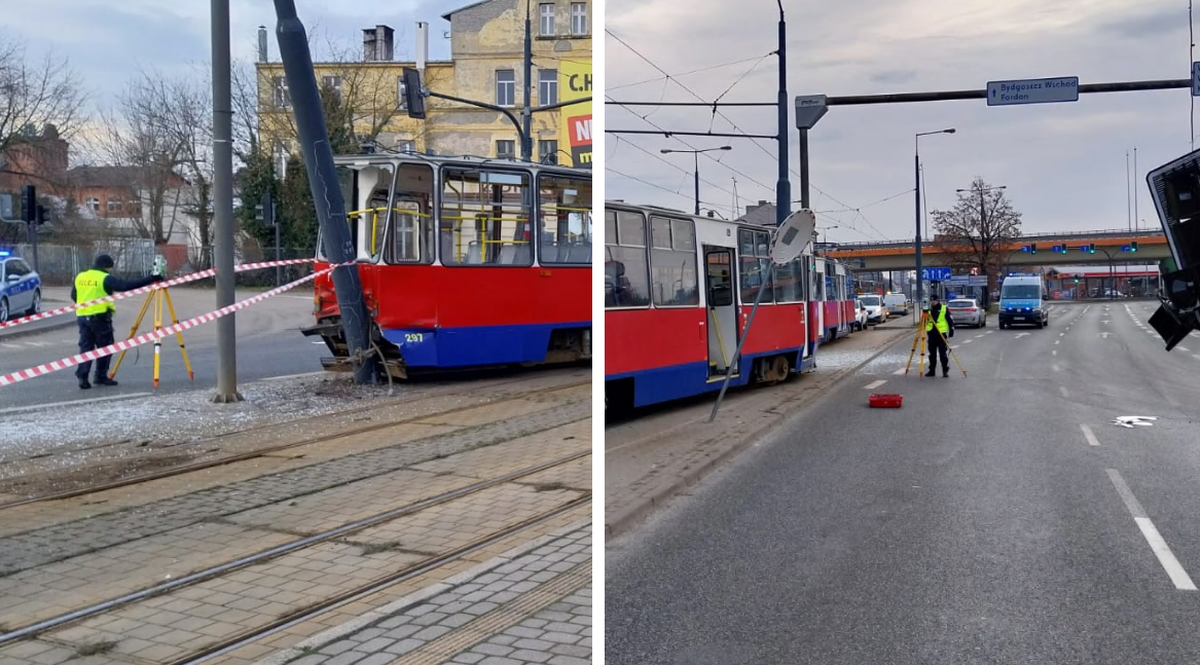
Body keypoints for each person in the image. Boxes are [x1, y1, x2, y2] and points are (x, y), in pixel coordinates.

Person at [71, 254, 164, 389]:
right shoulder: (104, 278)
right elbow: (125, 286)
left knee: (86, 348)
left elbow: (74, 295)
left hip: (82, 317)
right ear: (106, 267)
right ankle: (100, 376)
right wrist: (151, 278)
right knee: (105, 348)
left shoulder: (80, 276)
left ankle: (83, 377)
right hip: (100, 317)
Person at [925, 294, 955, 378]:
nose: (932, 302)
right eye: (931, 300)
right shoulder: (928, 309)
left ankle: (945, 370)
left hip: (941, 334)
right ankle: (932, 370)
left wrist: (951, 330)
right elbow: (925, 321)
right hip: (931, 334)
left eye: (934, 300)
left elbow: (950, 320)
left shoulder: (944, 308)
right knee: (932, 354)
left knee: (943, 354)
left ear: (937, 300)